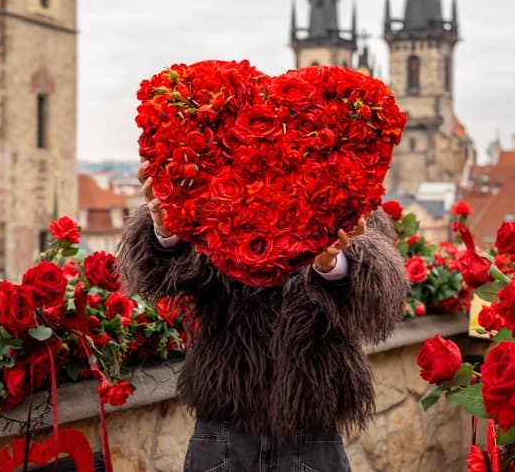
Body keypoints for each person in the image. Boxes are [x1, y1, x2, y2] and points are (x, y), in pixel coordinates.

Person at [117, 162, 409, 472]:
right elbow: (176, 274)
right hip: (226, 414)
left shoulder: (343, 181)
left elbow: (377, 293)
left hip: (310, 422)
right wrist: (167, 233)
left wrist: (332, 264)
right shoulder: (214, 174)